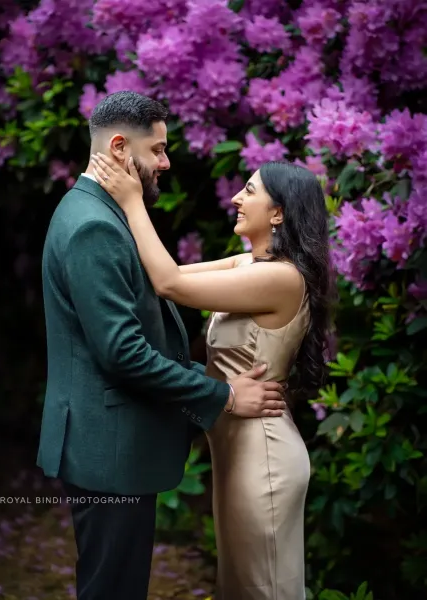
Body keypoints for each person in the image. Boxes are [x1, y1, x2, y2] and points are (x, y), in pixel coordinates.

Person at [36, 91, 287, 600]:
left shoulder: (97, 212)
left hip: (105, 442)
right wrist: (224, 395)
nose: (166, 163)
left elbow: (167, 283)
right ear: (121, 148)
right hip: (110, 449)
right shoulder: (94, 227)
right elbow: (122, 352)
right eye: (159, 150)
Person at [92, 153, 333, 600]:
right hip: (234, 446)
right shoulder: (248, 266)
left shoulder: (283, 279)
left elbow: (170, 285)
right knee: (238, 587)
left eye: (251, 191)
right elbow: (163, 275)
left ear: (278, 212)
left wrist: (132, 202)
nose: (237, 198)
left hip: (263, 455)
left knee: (265, 589)